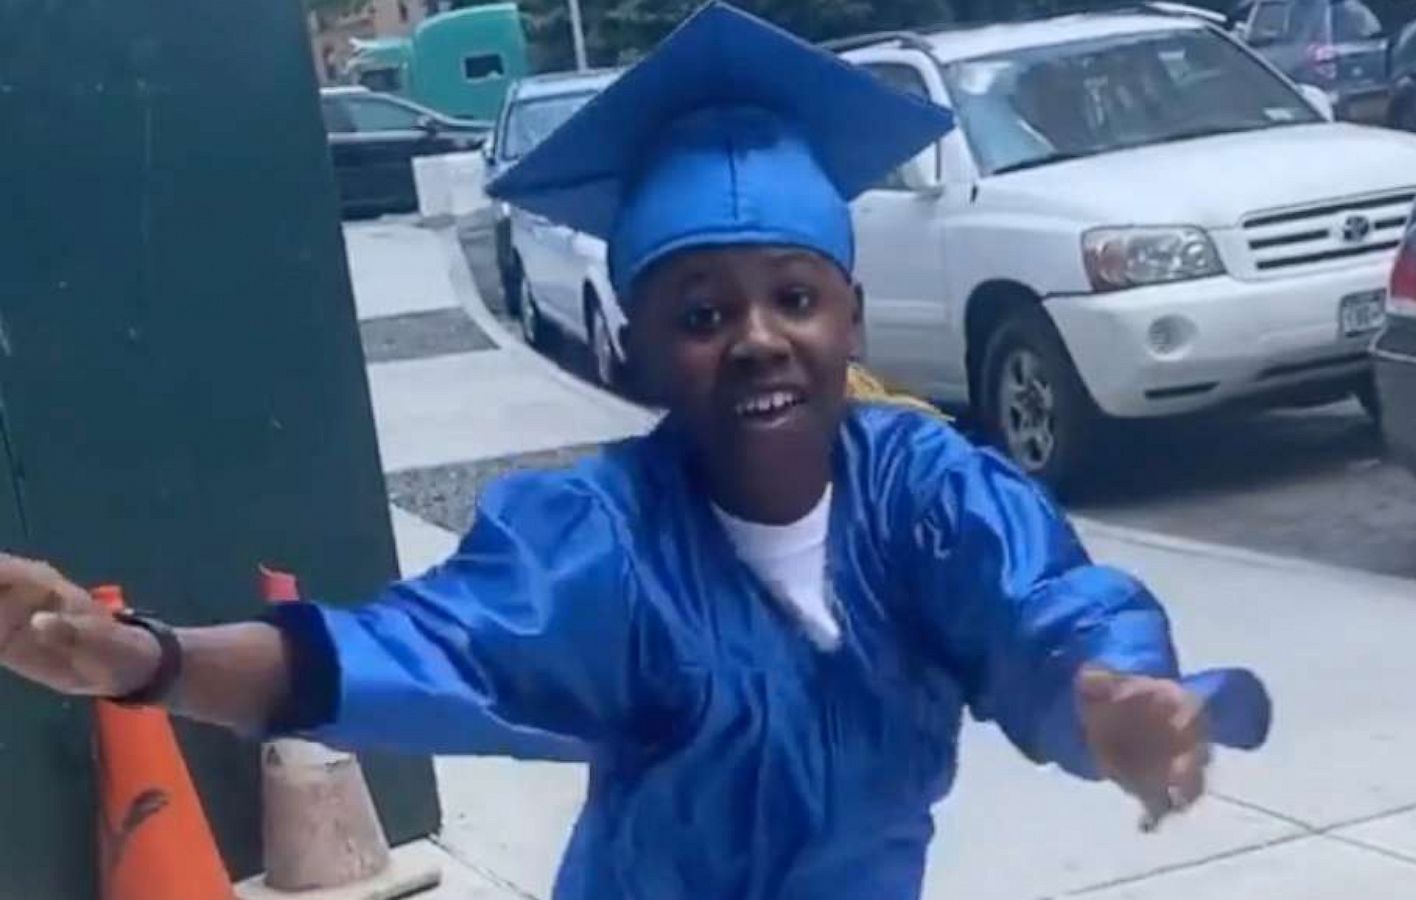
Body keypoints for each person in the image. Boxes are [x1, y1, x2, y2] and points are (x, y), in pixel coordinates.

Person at [0, 4, 1271, 897]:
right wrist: (141, 659)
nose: (759, 339)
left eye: (795, 297)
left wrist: (1113, 696)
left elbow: (1047, 610)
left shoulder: (926, 497)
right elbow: (397, 649)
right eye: (703, 315)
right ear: (640, 353)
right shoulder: (598, 541)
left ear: (852, 317)